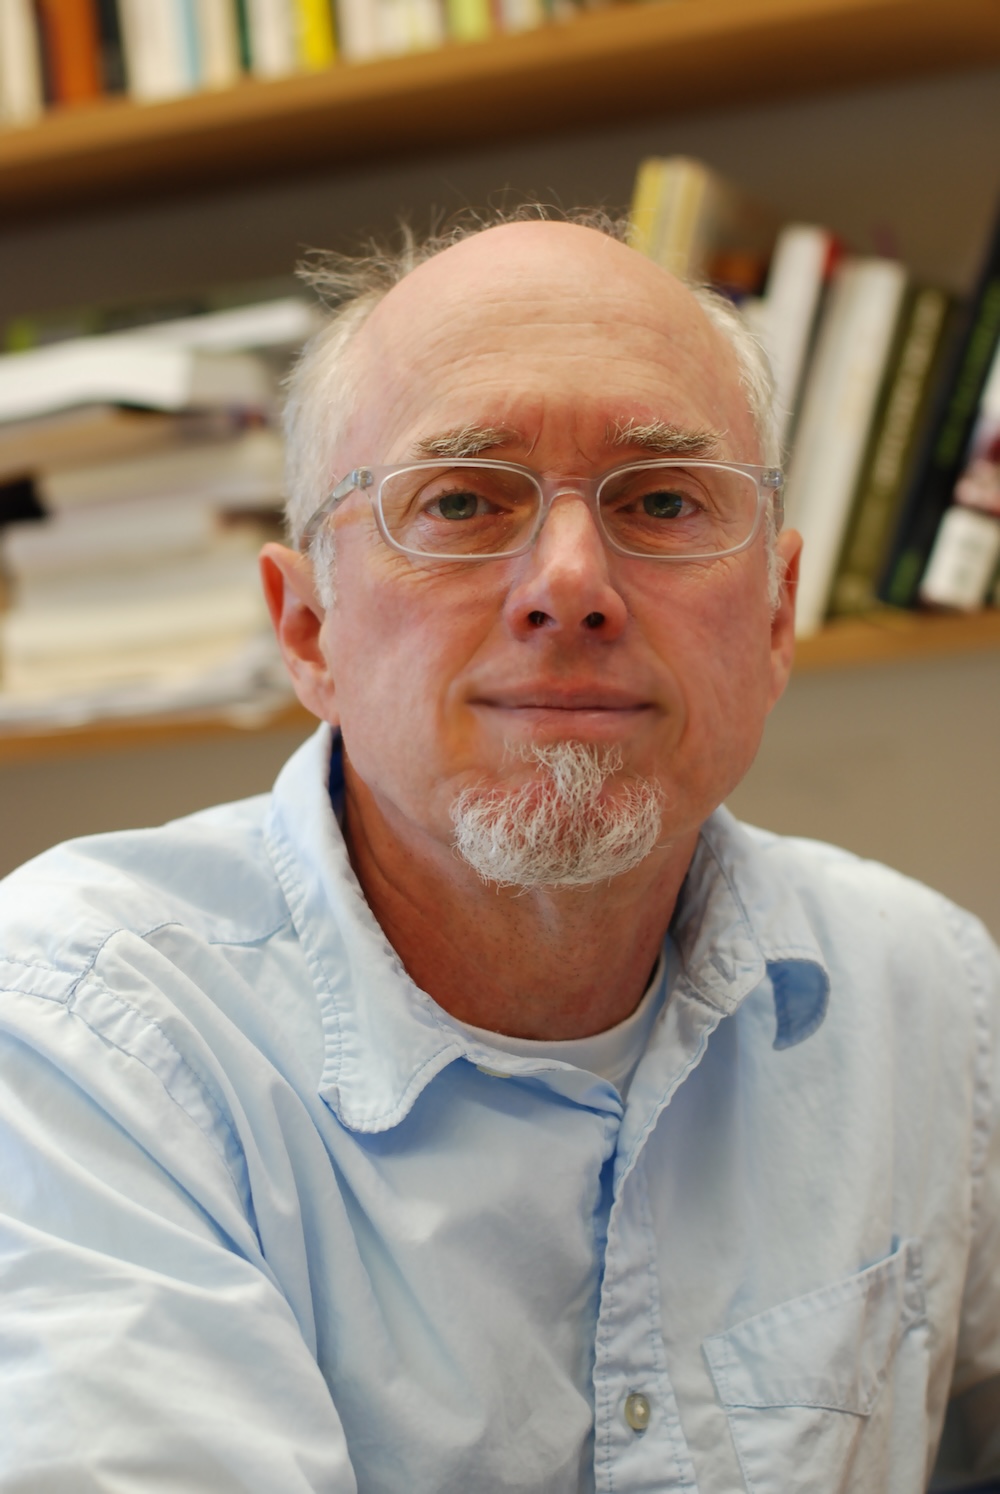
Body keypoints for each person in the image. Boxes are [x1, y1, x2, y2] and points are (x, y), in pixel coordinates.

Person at [0, 211, 997, 1493]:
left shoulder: (926, 993)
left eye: (662, 499)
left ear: (773, 619)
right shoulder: (81, 1042)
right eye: (463, 500)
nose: (570, 582)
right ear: (308, 628)